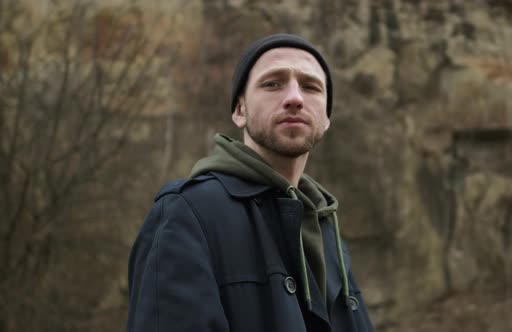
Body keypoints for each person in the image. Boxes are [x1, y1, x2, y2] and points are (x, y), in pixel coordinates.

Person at [126, 33, 375, 332]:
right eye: (272, 84)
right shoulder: (187, 214)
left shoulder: (326, 232)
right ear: (240, 110)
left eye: (311, 87)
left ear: (326, 118)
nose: (295, 97)